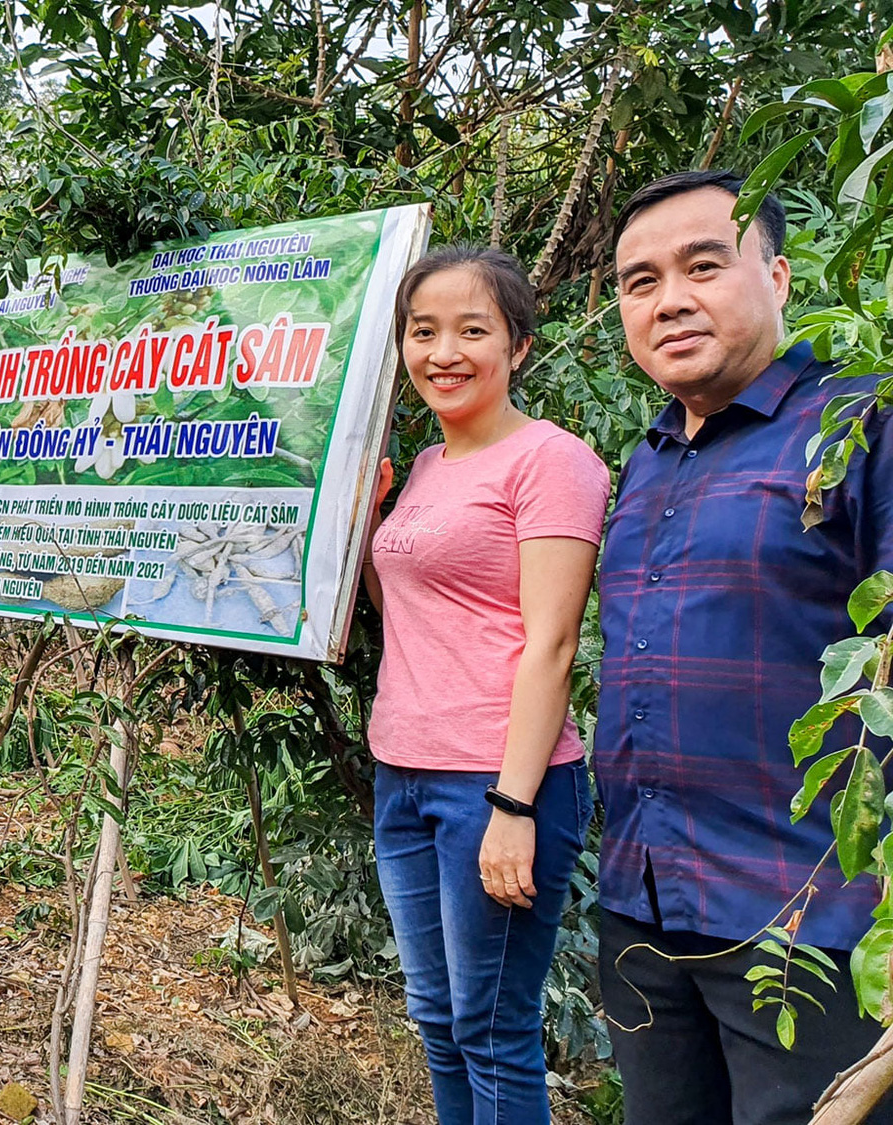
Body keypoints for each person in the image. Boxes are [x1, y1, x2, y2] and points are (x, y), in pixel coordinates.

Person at [596, 170, 893, 1125]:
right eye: (641, 282)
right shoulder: (646, 460)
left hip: (810, 924)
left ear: (778, 275)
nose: (670, 299)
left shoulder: (860, 427)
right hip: (644, 909)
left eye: (702, 266)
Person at [363, 247, 609, 1122]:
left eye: (473, 330)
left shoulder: (551, 460)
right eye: (423, 331)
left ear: (520, 347)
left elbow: (553, 641)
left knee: (492, 1026)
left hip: (497, 780)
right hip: (404, 769)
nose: (444, 351)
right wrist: (361, 525)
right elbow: (403, 608)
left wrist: (514, 806)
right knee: (436, 1016)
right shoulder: (426, 468)